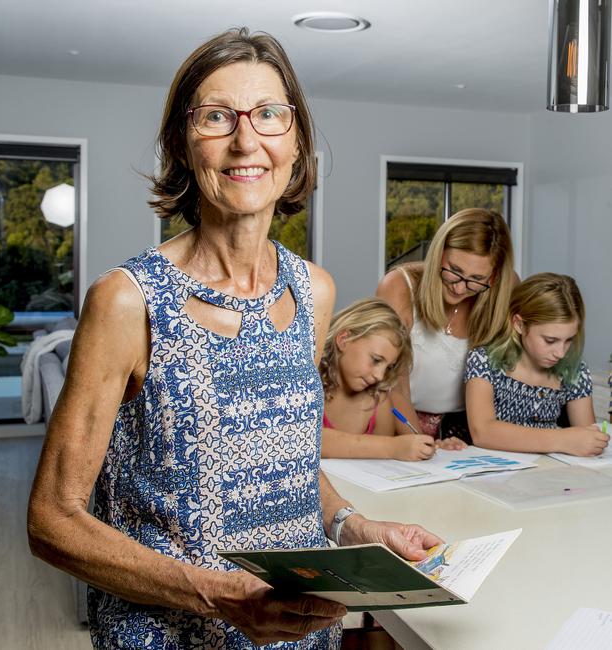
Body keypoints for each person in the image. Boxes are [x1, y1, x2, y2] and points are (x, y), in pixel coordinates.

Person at [27, 28, 442, 649]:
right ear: (183, 141)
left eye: (270, 114)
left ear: (297, 142)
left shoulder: (314, 291)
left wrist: (357, 530)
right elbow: (52, 520)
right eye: (218, 116)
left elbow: (288, 466)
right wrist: (219, 595)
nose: (247, 140)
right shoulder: (127, 300)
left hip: (300, 635)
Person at [376, 208, 516, 444]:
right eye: (455, 271)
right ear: (438, 253)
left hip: (471, 430)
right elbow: (393, 386)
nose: (460, 288)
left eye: (477, 279)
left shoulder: (505, 289)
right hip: (401, 425)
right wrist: (422, 444)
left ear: (493, 277)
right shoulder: (399, 287)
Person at [465, 273, 609, 455]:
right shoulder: (484, 360)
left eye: (569, 340)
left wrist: (593, 441)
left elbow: (586, 437)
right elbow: (483, 432)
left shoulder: (574, 371)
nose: (561, 353)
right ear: (519, 324)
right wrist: (563, 440)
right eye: (550, 340)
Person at [320, 297, 463, 460]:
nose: (379, 376)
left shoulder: (378, 403)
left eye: (388, 367)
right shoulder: (303, 387)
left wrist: (429, 448)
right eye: (376, 360)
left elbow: (380, 468)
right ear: (344, 339)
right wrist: (392, 447)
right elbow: (304, 440)